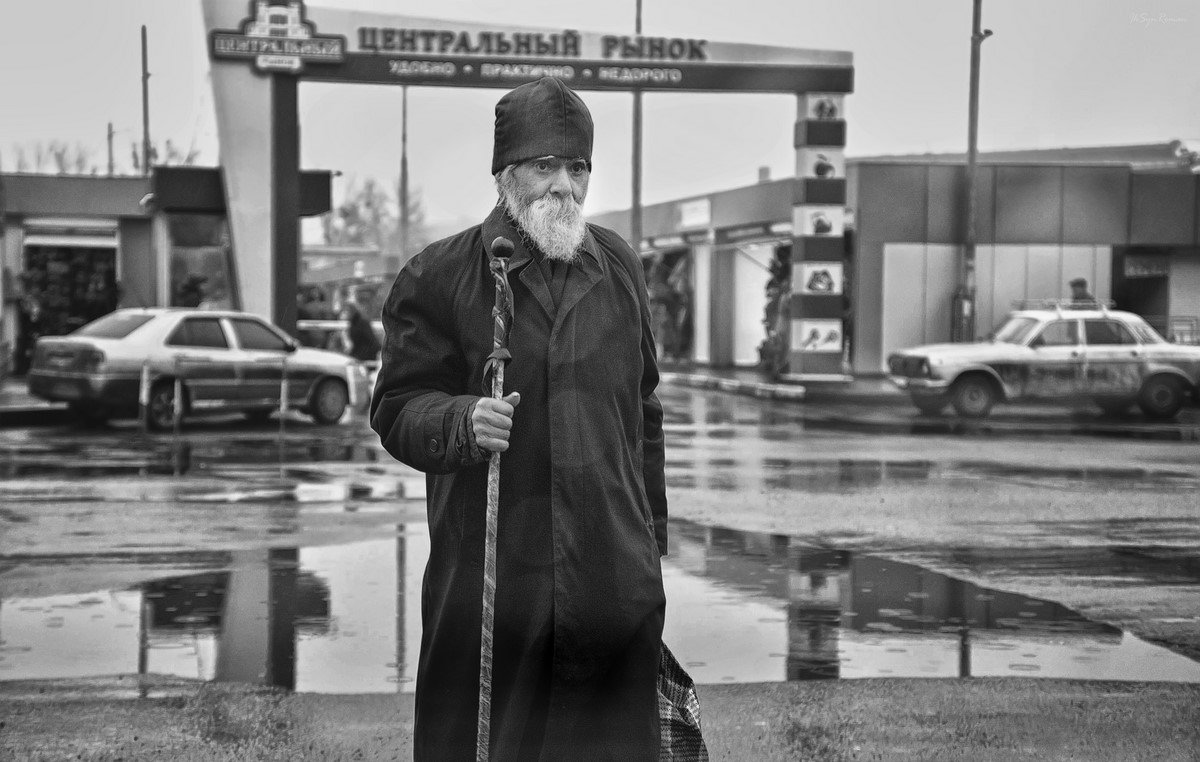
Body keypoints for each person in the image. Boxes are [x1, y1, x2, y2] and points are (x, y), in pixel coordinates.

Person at [370, 77, 668, 760]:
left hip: (610, 576)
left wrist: (649, 551)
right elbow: (396, 407)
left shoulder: (619, 266)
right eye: (545, 165)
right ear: (505, 173)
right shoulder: (440, 275)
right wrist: (460, 420)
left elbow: (644, 411)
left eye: (577, 167)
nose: (564, 185)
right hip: (496, 580)